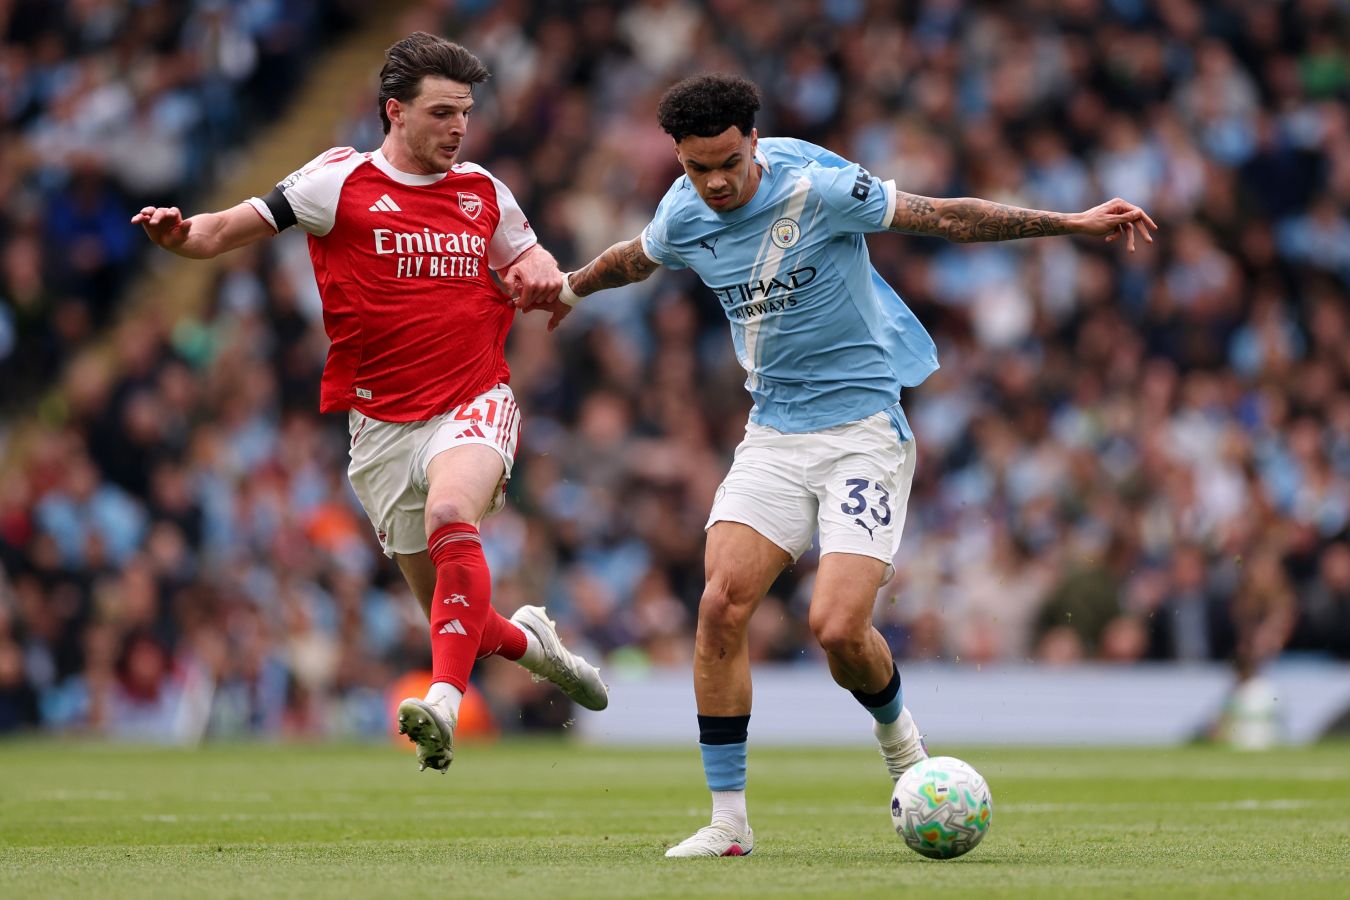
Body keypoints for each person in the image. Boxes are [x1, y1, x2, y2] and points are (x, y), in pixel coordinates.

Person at [529, 73, 1156, 857]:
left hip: (862, 430)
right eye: (697, 167)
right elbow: (635, 258)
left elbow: (945, 218)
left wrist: (1069, 222)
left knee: (835, 628)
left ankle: (905, 752)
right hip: (772, 434)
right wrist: (570, 289)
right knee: (719, 607)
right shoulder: (683, 211)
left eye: (728, 163)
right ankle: (728, 822)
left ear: (754, 141)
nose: (715, 183)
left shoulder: (819, 189)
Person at [132, 32, 607, 773]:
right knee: (458, 616)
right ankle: (531, 645)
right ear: (395, 111)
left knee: (452, 514)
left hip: (474, 396)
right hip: (381, 428)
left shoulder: (484, 190)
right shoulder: (336, 183)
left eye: (466, 113)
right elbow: (220, 231)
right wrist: (178, 235)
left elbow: (528, 254)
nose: (458, 128)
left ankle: (443, 704)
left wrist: (543, 269)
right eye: (442, 112)